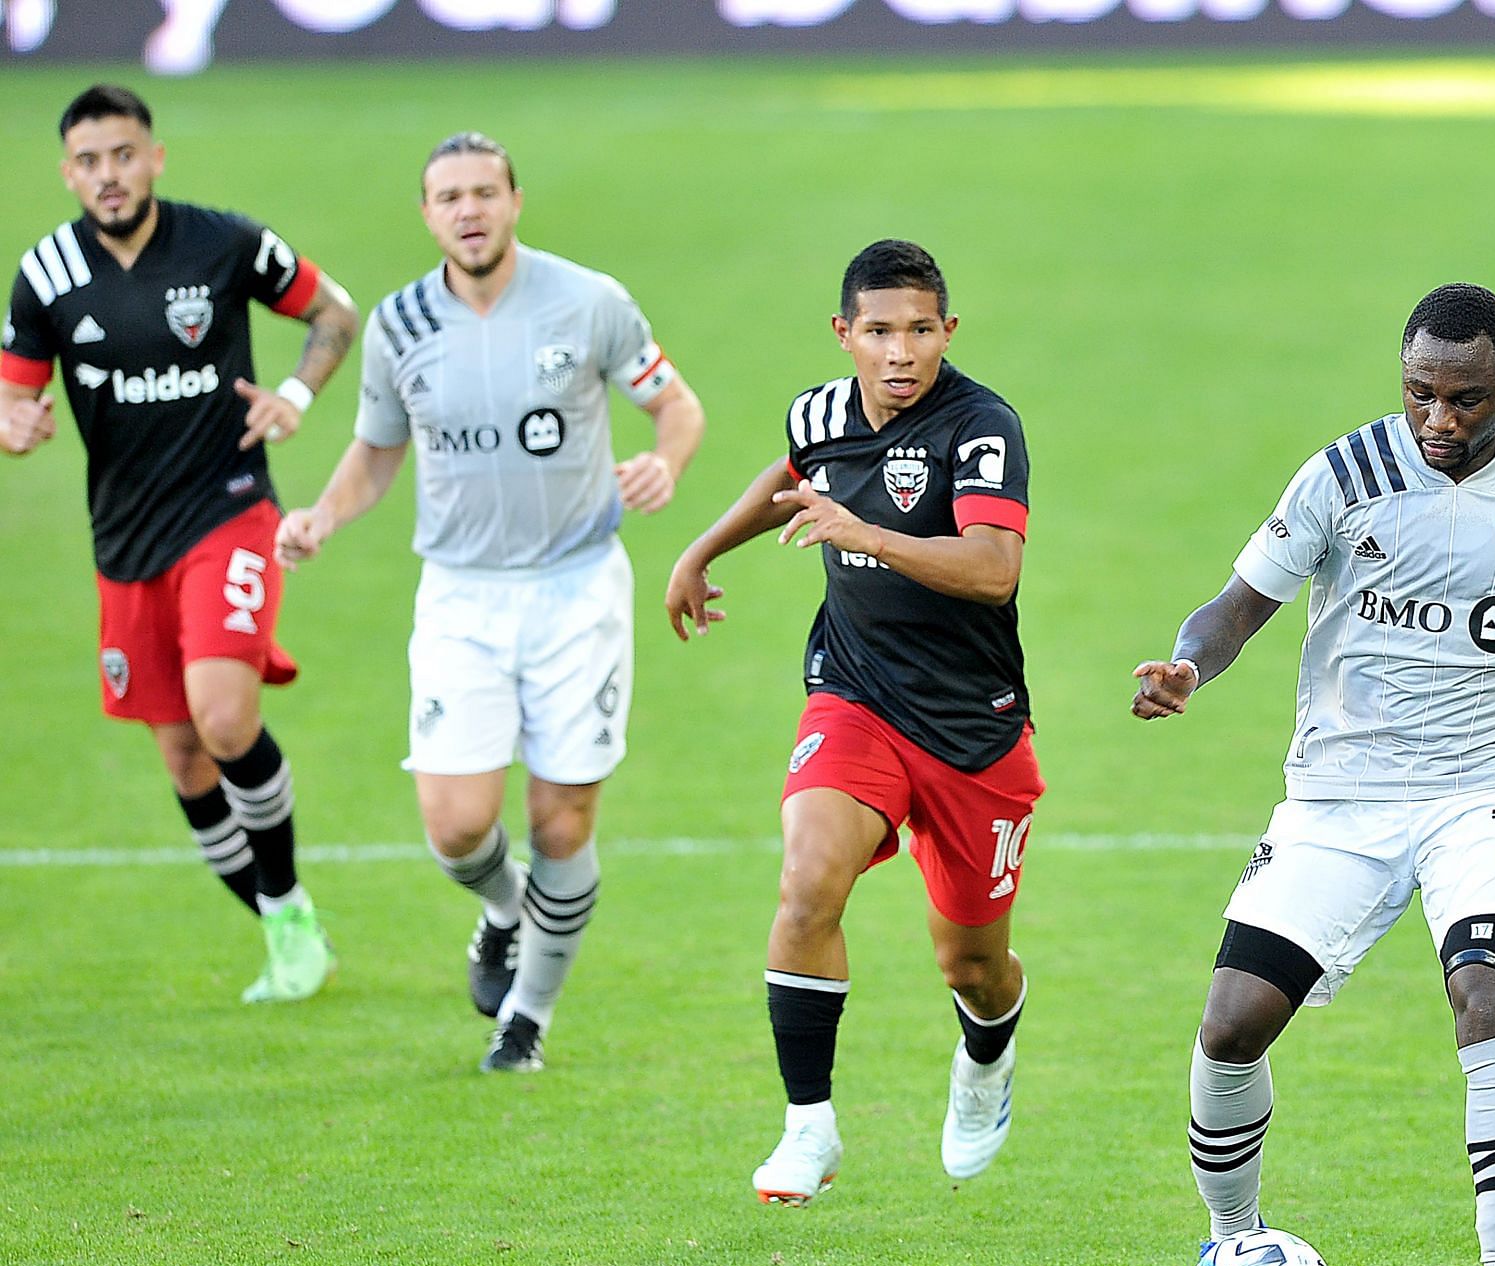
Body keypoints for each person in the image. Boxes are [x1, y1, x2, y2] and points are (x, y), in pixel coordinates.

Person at [1133, 284, 1495, 1266]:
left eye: (1466, 399)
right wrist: (1190, 665)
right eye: (1420, 392)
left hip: (1491, 794)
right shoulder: (1344, 474)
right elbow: (1238, 604)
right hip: (1339, 798)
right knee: (1231, 1026)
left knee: (1488, 1000)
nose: (1438, 420)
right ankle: (1230, 1256)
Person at [275, 132, 705, 1072]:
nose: (468, 210)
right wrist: (322, 516)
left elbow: (678, 407)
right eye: (448, 197)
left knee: (562, 823)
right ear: (428, 215)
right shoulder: (397, 325)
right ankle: (506, 909)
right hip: (462, 599)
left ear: (514, 200)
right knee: (457, 826)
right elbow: (378, 449)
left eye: (483, 192)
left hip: (577, 590)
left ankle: (528, 1019)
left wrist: (662, 464)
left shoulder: (590, 302)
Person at [666, 240, 1041, 1205]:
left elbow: (994, 568)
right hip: (857, 694)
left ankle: (987, 1057)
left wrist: (868, 533)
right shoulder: (821, 414)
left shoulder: (982, 427)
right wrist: (701, 549)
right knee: (806, 881)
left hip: (973, 727)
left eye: (921, 330)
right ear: (845, 335)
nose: (901, 351)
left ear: (948, 332)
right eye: (878, 331)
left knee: (972, 960)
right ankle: (808, 1128)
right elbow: (791, 476)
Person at [1, 83, 359, 1003]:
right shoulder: (44, 276)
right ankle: (291, 927)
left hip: (229, 508)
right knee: (183, 757)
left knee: (226, 717)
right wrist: (15, 424)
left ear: (154, 157)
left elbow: (334, 314)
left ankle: (282, 906)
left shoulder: (224, 242)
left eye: (123, 155)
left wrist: (297, 396)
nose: (107, 176)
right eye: (88, 162)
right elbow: (13, 394)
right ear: (67, 172)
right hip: (124, 538)